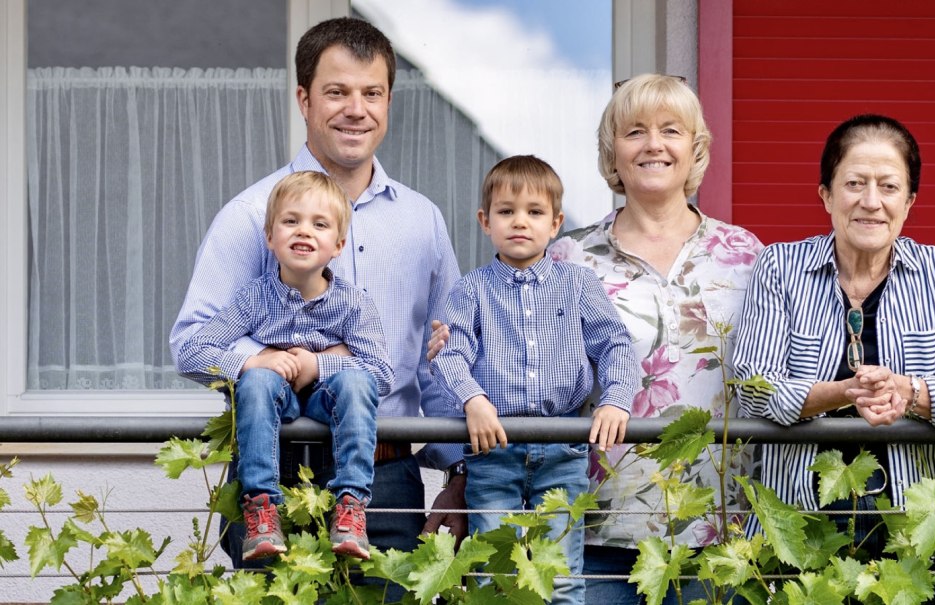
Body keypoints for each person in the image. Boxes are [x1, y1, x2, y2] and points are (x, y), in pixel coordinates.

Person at [168, 18, 464, 577]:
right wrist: (262, 362)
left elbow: (441, 359)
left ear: (388, 101)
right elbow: (191, 341)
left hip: (386, 478)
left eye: (371, 93)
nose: (356, 109)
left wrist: (458, 477)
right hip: (271, 478)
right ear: (304, 99)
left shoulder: (421, 221)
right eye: (337, 92)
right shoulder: (252, 215)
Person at [731, 114, 935, 555]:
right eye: (855, 183)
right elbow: (753, 385)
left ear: (909, 202)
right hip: (801, 520)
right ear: (826, 195)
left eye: (889, 187)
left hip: (917, 525)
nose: (872, 201)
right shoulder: (780, 267)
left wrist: (907, 391)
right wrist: (843, 392)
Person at [546, 74, 762, 604]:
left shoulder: (747, 255)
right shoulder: (567, 258)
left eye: (671, 130)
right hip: (599, 528)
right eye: (634, 131)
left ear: (695, 149)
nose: (653, 145)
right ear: (611, 152)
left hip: (722, 529)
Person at [430, 155, 637, 605]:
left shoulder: (578, 284)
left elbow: (616, 346)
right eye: (506, 211)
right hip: (493, 450)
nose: (519, 222)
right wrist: (473, 400)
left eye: (534, 212)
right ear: (486, 221)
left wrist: (616, 399)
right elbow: (449, 352)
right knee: (492, 576)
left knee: (561, 578)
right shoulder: (471, 290)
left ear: (556, 223)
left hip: (563, 449)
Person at [177, 171, 393, 561]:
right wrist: (253, 361)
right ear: (270, 237)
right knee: (257, 380)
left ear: (338, 244)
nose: (303, 231)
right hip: (277, 405)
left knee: (358, 382)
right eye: (290, 221)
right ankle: (261, 507)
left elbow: (382, 373)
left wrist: (318, 365)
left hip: (329, 407)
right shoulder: (254, 298)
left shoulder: (354, 304)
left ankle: (350, 505)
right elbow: (191, 352)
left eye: (320, 224)